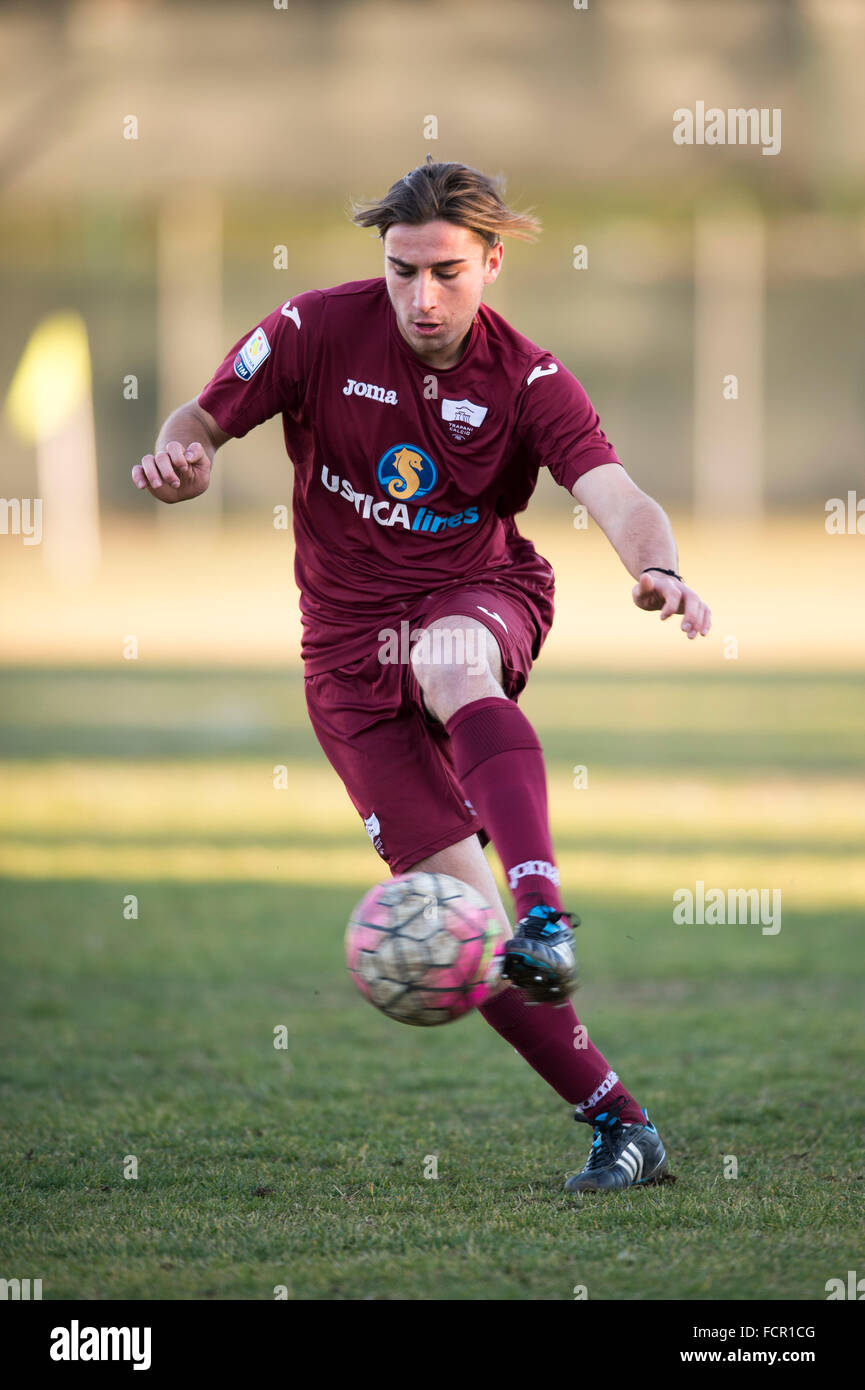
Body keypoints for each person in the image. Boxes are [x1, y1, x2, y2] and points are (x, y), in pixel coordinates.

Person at [132, 160, 711, 1193]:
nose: (421, 297)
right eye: (401, 271)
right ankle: (621, 1125)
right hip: (346, 661)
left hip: (476, 596)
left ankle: (545, 908)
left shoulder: (528, 377)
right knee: (459, 929)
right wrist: (183, 460)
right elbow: (197, 421)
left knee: (452, 658)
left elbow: (616, 492)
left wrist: (658, 568)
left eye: (445, 271)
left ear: (490, 263)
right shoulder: (312, 331)